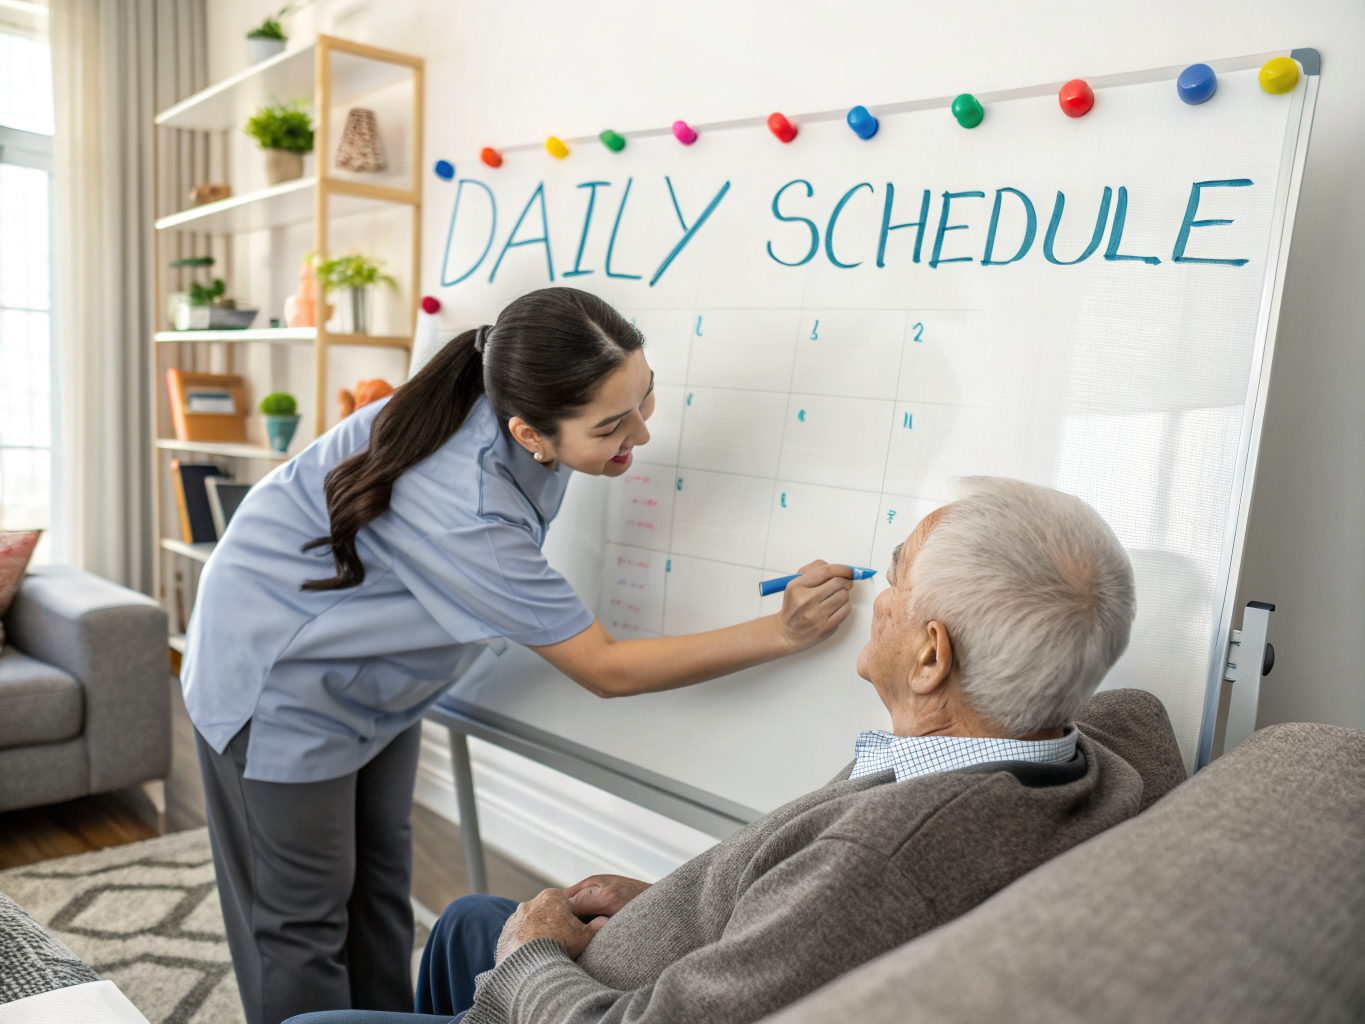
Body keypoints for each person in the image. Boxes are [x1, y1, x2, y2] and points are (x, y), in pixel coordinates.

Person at [181, 287, 860, 1024]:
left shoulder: (518, 387)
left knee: (377, 893)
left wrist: (603, 433)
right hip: (277, 680)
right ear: (528, 432)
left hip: (371, 676)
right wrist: (781, 633)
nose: (639, 433)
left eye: (646, 399)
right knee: (299, 923)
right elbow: (603, 667)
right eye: (610, 426)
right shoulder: (464, 499)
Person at [284, 477, 1189, 1024]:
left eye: (896, 573)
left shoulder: (874, 862)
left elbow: (837, 901)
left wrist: (530, 966)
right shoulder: (1115, 740)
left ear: (930, 655)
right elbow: (807, 930)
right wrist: (686, 907)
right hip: (688, 950)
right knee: (466, 922)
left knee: (398, 985)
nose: (881, 591)